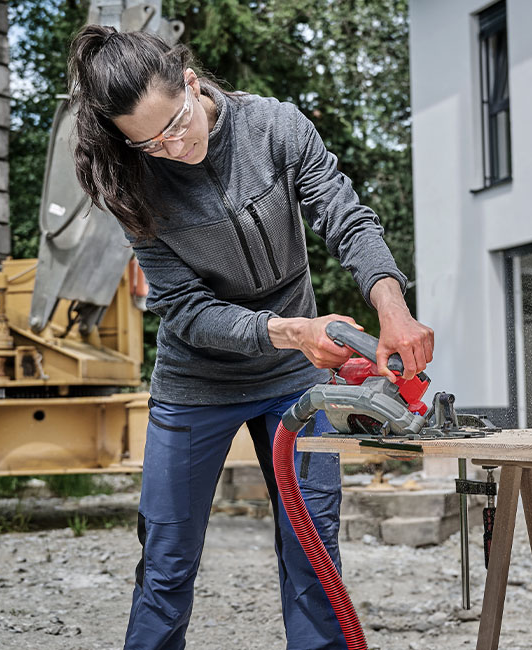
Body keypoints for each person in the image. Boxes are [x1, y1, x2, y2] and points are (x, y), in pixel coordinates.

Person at [67, 24, 434, 650]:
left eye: (177, 125)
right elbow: (186, 308)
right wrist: (291, 331)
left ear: (191, 82)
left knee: (312, 546)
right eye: (150, 143)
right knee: (166, 558)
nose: (173, 147)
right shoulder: (134, 183)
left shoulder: (274, 127)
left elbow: (345, 219)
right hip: (196, 384)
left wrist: (392, 304)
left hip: (294, 379)